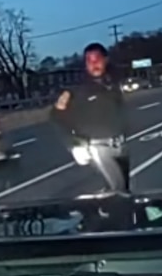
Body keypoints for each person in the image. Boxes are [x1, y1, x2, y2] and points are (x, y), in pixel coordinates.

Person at [51, 42, 130, 192]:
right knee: (118, 190)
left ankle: (105, 211)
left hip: (121, 145)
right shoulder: (75, 90)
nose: (94, 64)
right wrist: (73, 144)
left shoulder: (113, 83)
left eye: (97, 59)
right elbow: (56, 116)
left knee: (122, 188)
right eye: (89, 61)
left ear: (105, 60)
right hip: (98, 147)